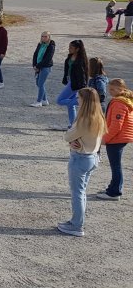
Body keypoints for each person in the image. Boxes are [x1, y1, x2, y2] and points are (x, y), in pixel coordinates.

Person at [58, 88, 106, 237]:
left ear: (84, 101)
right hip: (92, 157)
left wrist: (72, 140)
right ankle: (77, 222)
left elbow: (68, 136)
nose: (77, 100)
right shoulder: (99, 116)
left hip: (80, 158)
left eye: (79, 98)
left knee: (77, 194)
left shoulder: (84, 120)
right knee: (81, 192)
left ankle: (76, 225)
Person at [98, 79, 133, 201]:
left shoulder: (119, 103)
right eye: (109, 89)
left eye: (113, 89)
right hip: (121, 137)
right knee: (116, 165)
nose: (110, 91)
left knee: (116, 166)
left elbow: (116, 126)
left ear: (121, 89)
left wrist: (105, 139)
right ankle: (113, 188)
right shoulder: (124, 101)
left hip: (117, 138)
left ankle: (114, 192)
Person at [56, 40, 89, 130]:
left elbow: (82, 75)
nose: (69, 49)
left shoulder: (80, 61)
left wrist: (82, 87)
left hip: (75, 83)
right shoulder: (70, 57)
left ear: (77, 49)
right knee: (70, 105)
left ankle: (81, 101)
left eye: (71, 47)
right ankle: (73, 125)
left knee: (59, 100)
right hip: (70, 81)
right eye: (69, 47)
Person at [30, 32, 55, 107]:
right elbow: (35, 54)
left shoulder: (51, 46)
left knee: (40, 83)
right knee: (38, 83)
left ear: (49, 37)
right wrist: (34, 65)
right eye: (42, 36)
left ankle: (39, 101)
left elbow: (48, 58)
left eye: (45, 36)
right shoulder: (40, 44)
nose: (43, 38)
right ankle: (44, 100)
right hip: (38, 66)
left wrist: (38, 66)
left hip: (46, 67)